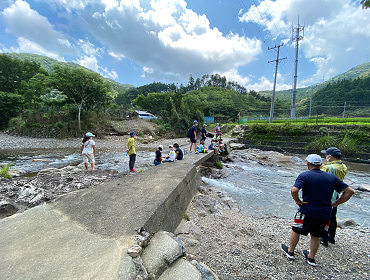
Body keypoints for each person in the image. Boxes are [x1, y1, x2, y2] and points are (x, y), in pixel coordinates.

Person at [281, 154, 354, 267]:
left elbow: (294, 190)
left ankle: (291, 252)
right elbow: (350, 191)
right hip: (325, 212)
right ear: (320, 164)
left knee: (296, 230)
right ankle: (311, 258)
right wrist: (336, 203)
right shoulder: (331, 177)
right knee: (315, 235)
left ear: (308, 164)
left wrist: (298, 201)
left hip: (306, 211)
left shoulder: (304, 175)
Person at [320, 147, 348, 247]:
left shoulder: (328, 168)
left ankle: (323, 239)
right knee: (333, 216)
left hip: (327, 194)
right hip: (336, 194)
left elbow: (321, 174)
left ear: (330, 156)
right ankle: (331, 238)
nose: (325, 156)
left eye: (326, 154)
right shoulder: (343, 166)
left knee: (324, 216)